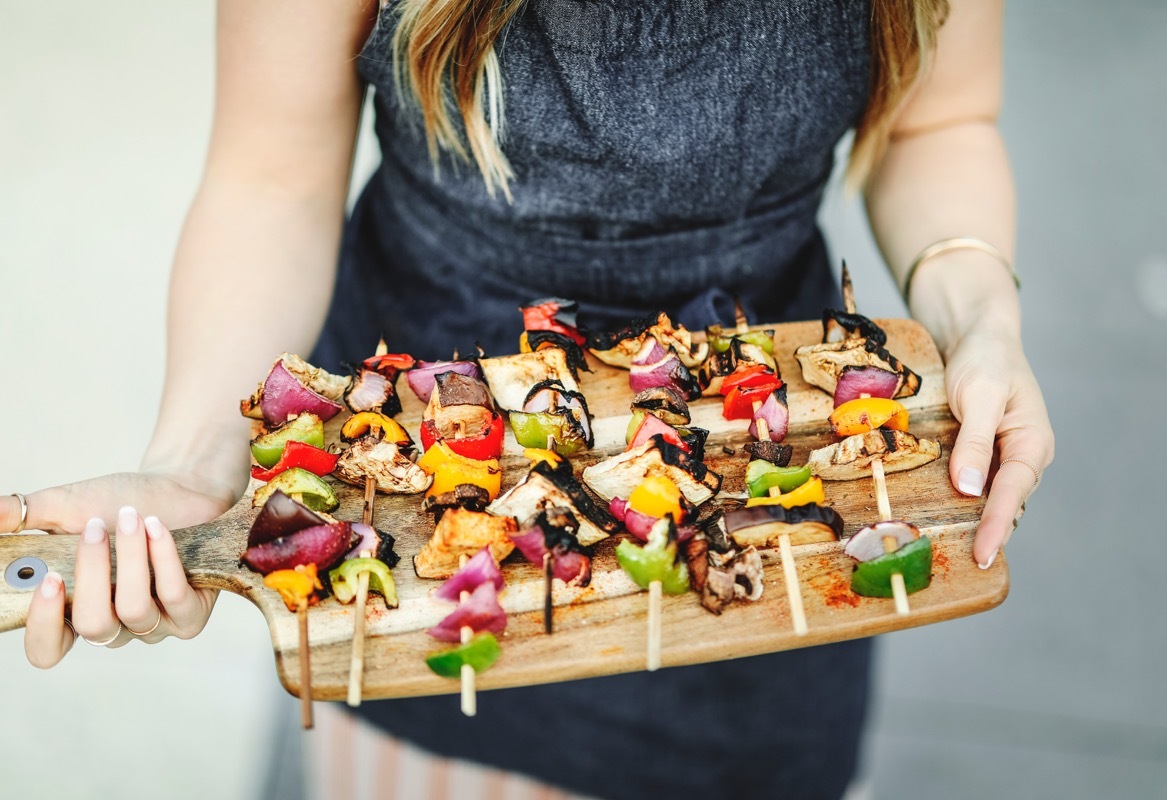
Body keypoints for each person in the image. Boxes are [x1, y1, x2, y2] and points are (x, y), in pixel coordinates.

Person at [6, 0, 1053, 797]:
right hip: (420, 472)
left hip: (762, 484)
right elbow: (271, 174)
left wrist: (984, 316)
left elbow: (941, 119)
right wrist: (196, 461)